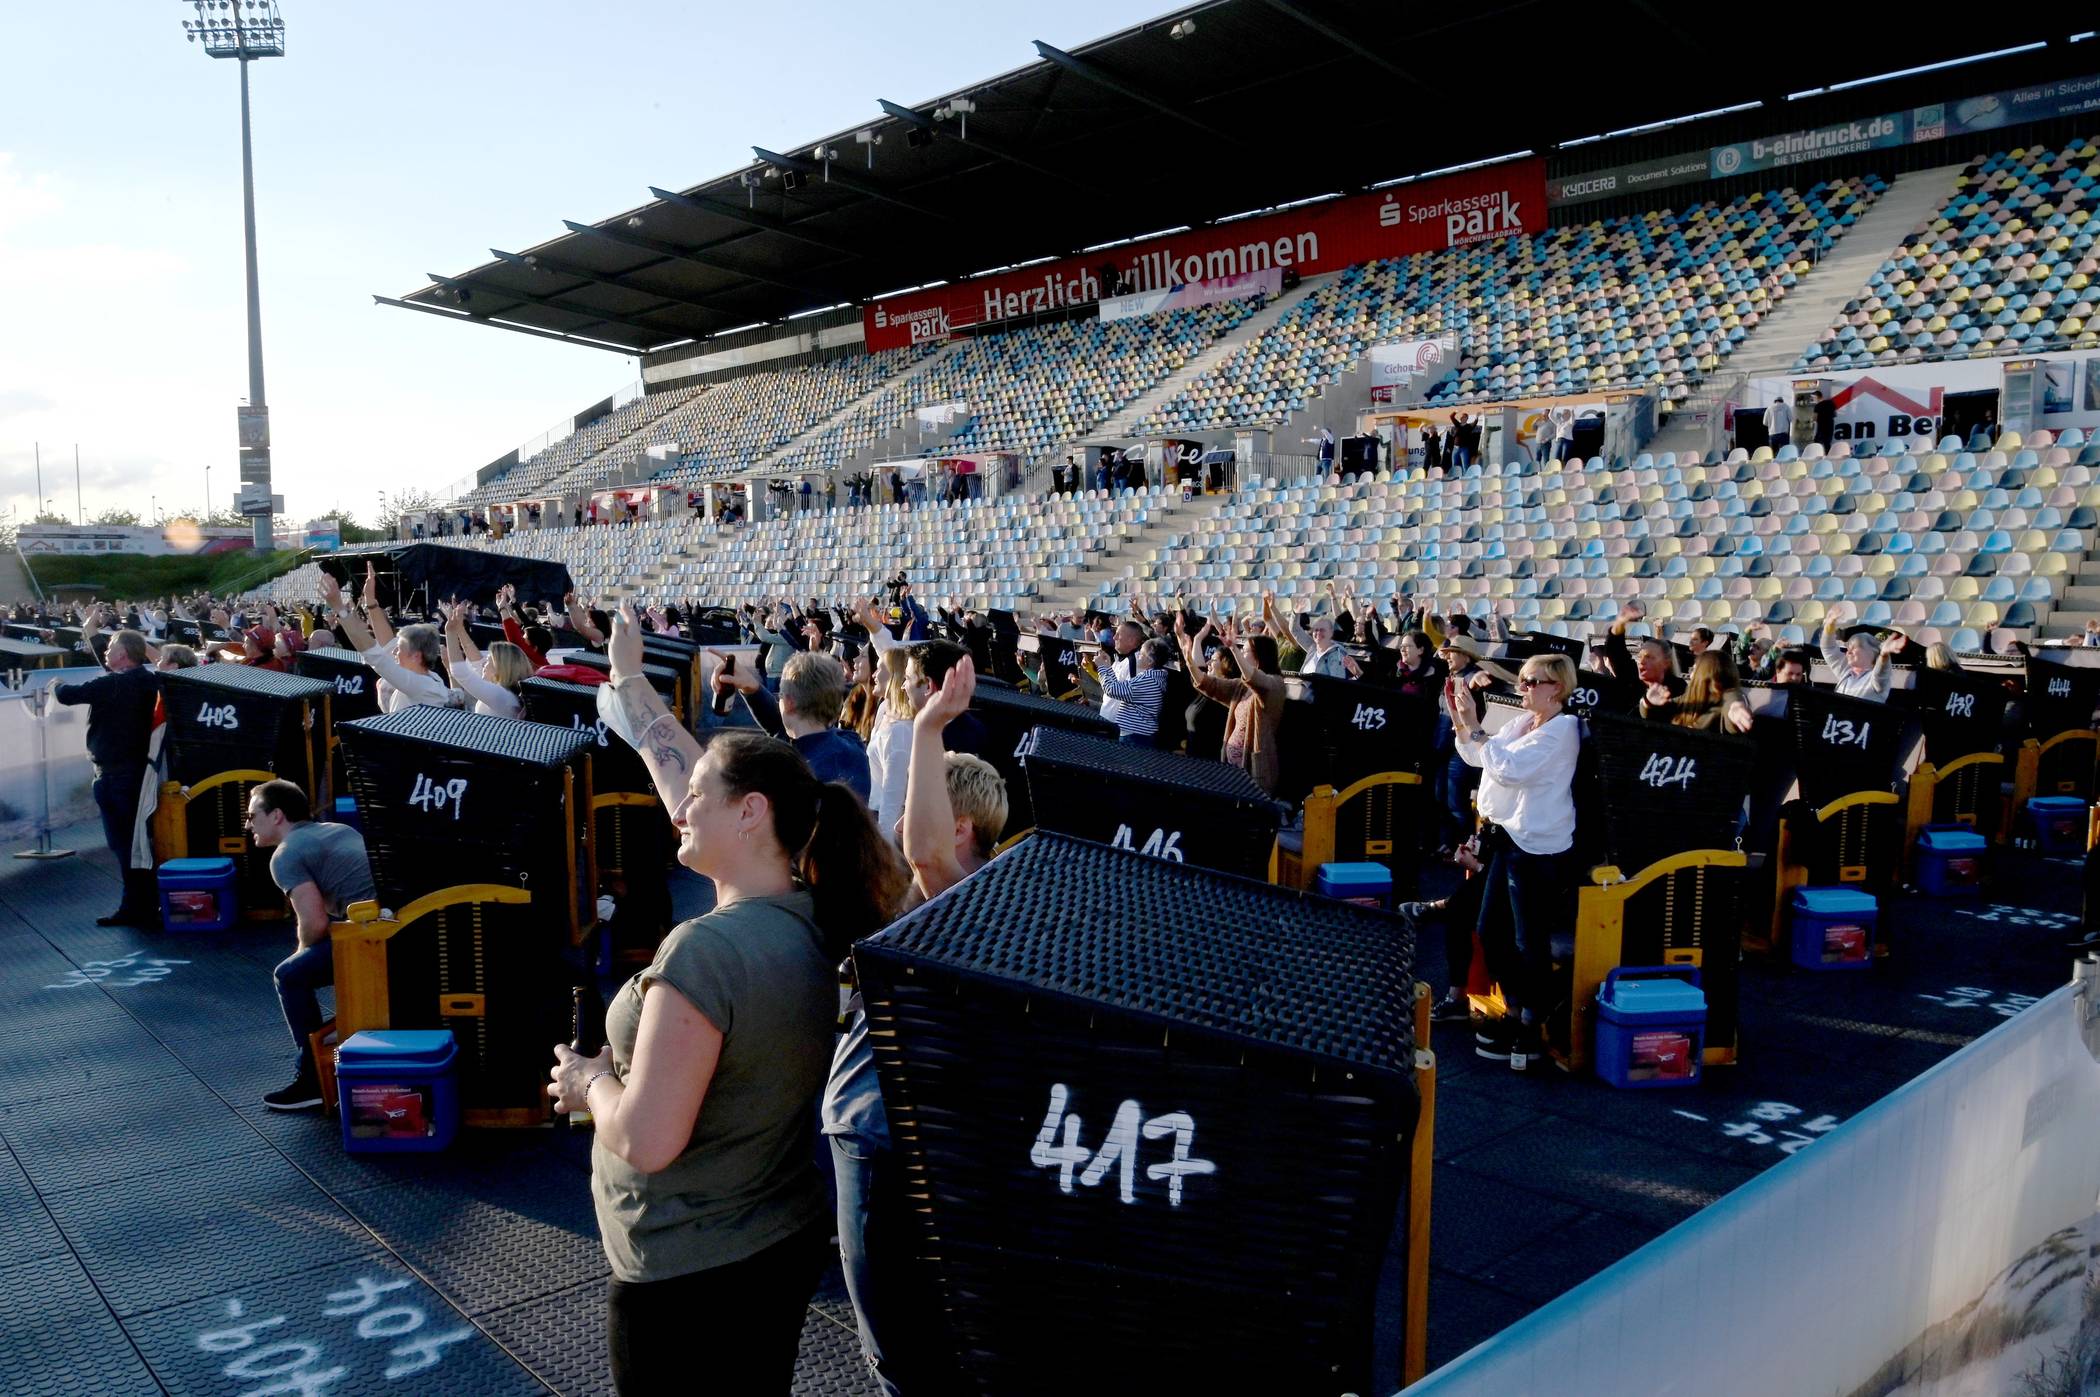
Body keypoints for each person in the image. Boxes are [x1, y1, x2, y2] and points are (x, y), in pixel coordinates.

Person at [556, 602, 908, 1395]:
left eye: (701, 797)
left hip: (687, 1268)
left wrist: (589, 1082)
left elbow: (645, 1139)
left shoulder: (707, 949)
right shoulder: (819, 922)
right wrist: (630, 680)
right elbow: (679, 768)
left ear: (751, 814)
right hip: (773, 1242)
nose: (680, 807)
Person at [829, 657, 1007, 1394]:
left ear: (958, 822)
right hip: (907, 1136)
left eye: (914, 802)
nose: (897, 821)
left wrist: (931, 725)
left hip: (886, 1143)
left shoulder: (964, 895)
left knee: (898, 1357)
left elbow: (926, 850)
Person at [1446, 652, 1582, 1071]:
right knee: (1489, 930)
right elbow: (1478, 757)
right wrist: (1464, 719)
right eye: (1521, 680)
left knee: (1529, 938)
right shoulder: (1524, 723)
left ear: (1556, 687)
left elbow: (1508, 769)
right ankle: (1519, 1006)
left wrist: (1475, 730)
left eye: (1531, 682)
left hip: (1537, 845)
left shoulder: (1563, 730)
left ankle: (1530, 1019)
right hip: (1509, 838)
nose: (1522, 688)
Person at [247, 779, 376, 1111]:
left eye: (253, 815)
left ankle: (312, 1081)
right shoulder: (336, 829)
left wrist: (301, 953)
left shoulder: (286, 854)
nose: (248, 825)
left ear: (276, 816)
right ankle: (330, 1054)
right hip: (397, 925)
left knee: (289, 975)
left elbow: (314, 924)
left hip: (374, 940)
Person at [52, 609, 161, 927]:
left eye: (110, 648)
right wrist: (94, 632)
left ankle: (134, 907)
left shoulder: (112, 686)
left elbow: (68, 695)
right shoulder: (146, 681)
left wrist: (55, 683)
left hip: (115, 776)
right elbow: (123, 674)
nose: (104, 652)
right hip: (138, 771)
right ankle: (145, 901)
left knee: (122, 842)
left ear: (124, 655)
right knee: (137, 842)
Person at [710, 649, 872, 804]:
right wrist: (751, 688)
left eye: (780, 695)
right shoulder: (851, 745)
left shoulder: (797, 776)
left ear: (788, 703)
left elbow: (782, 730)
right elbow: (782, 728)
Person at [321, 564, 454, 711]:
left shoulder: (422, 685)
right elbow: (388, 642)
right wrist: (370, 601)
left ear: (416, 656)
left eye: (400, 649)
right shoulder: (424, 676)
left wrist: (339, 608)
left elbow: (375, 656)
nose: (395, 652)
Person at [1180, 615, 1288, 797]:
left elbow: (1257, 680)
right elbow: (1208, 684)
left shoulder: (1275, 684)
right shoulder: (1240, 686)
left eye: (1245, 651)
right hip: (1231, 769)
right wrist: (1190, 662)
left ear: (1259, 657)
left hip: (1254, 770)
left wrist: (1232, 649)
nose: (1240, 653)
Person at [441, 603, 531, 719]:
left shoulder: (500, 695)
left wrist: (450, 631)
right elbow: (475, 659)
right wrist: (460, 629)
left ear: (500, 668)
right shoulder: (506, 693)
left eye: (488, 661)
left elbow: (460, 671)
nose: (484, 664)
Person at [1641, 652, 1754, 733]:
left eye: (1695, 670)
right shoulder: (1689, 699)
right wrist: (1649, 703)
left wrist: (1736, 708)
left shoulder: (1727, 699)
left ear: (1706, 674)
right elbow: (1655, 715)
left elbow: (1731, 700)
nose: (1690, 676)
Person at [1098, 635, 1171, 747]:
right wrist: (1107, 668)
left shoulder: (1148, 681)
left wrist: (1102, 667)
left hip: (1135, 736)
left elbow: (1112, 690)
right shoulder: (1152, 678)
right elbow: (1119, 687)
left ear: (1150, 661)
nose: (1138, 657)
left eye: (1141, 654)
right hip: (1137, 734)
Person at [1819, 609, 1897, 702]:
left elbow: (1882, 672)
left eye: (1854, 647)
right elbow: (1828, 648)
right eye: (1848, 649)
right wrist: (1830, 625)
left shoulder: (1874, 680)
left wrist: (1884, 655)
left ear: (1871, 652)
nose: (1849, 652)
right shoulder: (1845, 672)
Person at [1267, 591, 1349, 678]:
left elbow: (1337, 682)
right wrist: (1295, 613)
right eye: (1316, 630)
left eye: (1322, 630)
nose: (1318, 633)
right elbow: (1294, 630)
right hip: (1304, 688)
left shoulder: (1336, 654)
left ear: (1330, 633)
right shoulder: (1312, 647)